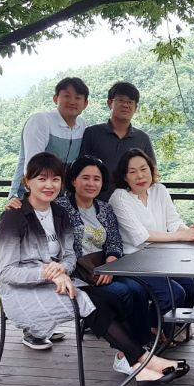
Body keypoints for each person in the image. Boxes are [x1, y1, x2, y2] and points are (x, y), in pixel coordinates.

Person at [0, 152, 187, 386]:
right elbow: (6, 272)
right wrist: (50, 273)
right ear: (27, 183)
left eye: (55, 179)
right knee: (102, 300)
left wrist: (61, 269)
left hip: (59, 283)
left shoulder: (59, 214)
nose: (49, 185)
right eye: (41, 179)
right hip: (25, 291)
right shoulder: (15, 217)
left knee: (109, 298)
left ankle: (136, 362)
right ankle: (143, 360)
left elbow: (68, 256)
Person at [53, 155, 158, 373]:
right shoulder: (59, 208)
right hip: (77, 274)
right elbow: (36, 211)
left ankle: (137, 350)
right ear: (73, 180)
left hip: (105, 270)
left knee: (138, 289)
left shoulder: (104, 208)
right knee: (122, 293)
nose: (91, 183)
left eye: (97, 179)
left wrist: (110, 263)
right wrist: (15, 203)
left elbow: (114, 242)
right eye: (85, 178)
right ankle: (130, 354)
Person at [109, 148, 194, 317]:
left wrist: (191, 232)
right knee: (174, 293)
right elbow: (141, 236)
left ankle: (177, 329)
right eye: (132, 172)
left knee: (193, 287)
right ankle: (154, 328)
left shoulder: (159, 190)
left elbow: (174, 223)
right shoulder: (120, 197)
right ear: (124, 176)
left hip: (161, 259)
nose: (140, 176)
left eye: (144, 169)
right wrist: (182, 235)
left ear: (151, 170)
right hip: (134, 262)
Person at [8, 77, 89, 202]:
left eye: (78, 98)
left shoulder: (82, 125)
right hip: (30, 194)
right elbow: (32, 165)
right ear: (55, 99)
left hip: (59, 196)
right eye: (67, 96)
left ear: (85, 104)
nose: (72, 101)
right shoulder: (41, 121)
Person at [79, 81, 156, 200]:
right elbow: (80, 169)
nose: (125, 105)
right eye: (121, 100)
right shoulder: (92, 133)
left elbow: (151, 173)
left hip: (131, 204)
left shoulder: (142, 138)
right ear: (110, 103)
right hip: (97, 203)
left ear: (135, 108)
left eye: (130, 102)